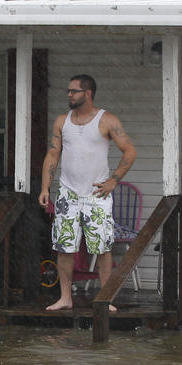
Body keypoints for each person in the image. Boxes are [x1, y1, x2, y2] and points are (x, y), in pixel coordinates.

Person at [37, 74, 137, 311]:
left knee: (102, 247)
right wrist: (44, 188)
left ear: (88, 93)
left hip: (97, 195)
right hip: (68, 194)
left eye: (74, 91)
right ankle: (65, 298)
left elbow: (130, 151)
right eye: (69, 91)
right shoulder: (63, 121)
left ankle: (105, 299)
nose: (69, 95)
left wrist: (114, 180)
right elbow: (52, 154)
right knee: (64, 247)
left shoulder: (107, 120)